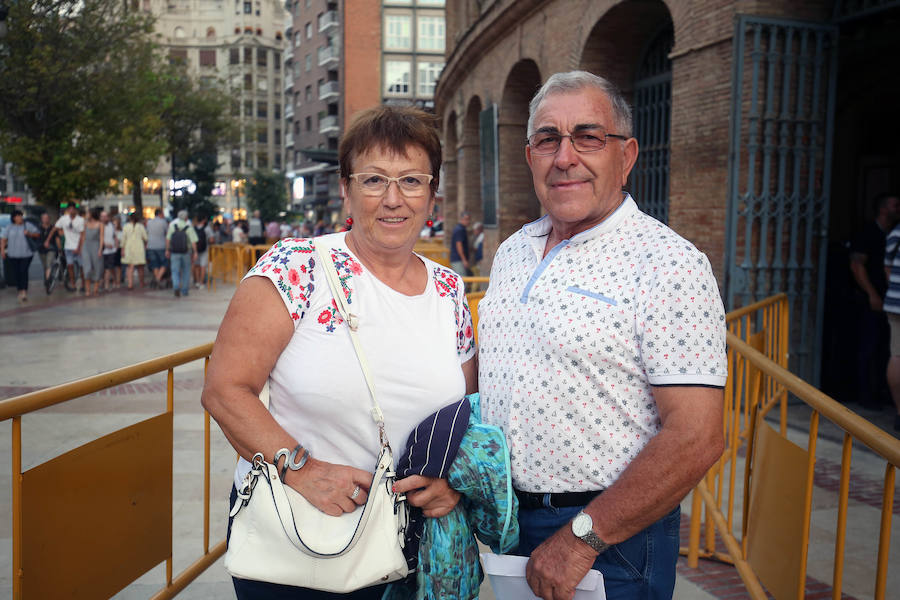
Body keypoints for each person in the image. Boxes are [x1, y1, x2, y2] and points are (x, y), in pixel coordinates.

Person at [201, 105, 477, 599]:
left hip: (408, 549)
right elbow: (225, 391)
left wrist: (450, 485)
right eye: (374, 180)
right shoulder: (297, 267)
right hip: (303, 544)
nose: (393, 199)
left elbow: (467, 415)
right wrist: (300, 469)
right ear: (347, 188)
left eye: (412, 181)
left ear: (433, 194)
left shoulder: (450, 291)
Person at [477, 71, 727, 600]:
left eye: (588, 137)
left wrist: (581, 540)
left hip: (608, 539)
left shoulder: (669, 265)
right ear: (530, 157)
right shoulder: (513, 252)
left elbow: (697, 436)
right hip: (508, 524)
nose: (565, 156)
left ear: (627, 155)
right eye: (547, 139)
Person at [850, 193, 900, 409]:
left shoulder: (892, 234)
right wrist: (872, 294)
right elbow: (856, 265)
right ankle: (865, 395)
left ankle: (881, 393)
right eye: (895, 205)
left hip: (887, 300)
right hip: (871, 300)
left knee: (884, 350)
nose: (899, 208)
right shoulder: (868, 232)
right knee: (869, 348)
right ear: (882, 209)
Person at [881, 193, 900, 432]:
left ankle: (898, 412)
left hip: (895, 302)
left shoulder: (896, 233)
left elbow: (887, 265)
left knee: (896, 355)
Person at [0, 210, 40, 303]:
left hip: (26, 254)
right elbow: (4, 239)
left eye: (21, 216)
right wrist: (2, 250)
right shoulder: (9, 227)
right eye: (18, 216)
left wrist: (29, 233)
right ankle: (19, 290)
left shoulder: (27, 225)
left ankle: (24, 292)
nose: (20, 218)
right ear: (14, 218)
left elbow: (37, 234)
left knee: (23, 271)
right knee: (17, 273)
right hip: (13, 254)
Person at [166, 209, 198, 298]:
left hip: (174, 252)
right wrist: (195, 252)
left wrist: (167, 250)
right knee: (186, 271)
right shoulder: (189, 227)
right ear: (186, 218)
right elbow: (193, 242)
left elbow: (168, 239)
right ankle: (184, 290)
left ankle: (176, 286)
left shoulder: (172, 226)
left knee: (175, 271)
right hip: (185, 252)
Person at [54, 203, 85, 292]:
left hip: (78, 248)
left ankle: (83, 283)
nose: (71, 210)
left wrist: (79, 248)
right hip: (68, 247)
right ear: (67, 210)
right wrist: (48, 239)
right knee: (70, 266)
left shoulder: (80, 220)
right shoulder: (64, 219)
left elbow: (82, 235)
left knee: (82, 266)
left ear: (75, 210)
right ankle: (73, 284)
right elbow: (55, 228)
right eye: (69, 209)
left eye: (73, 209)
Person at [81, 206, 104, 297]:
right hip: (86, 246)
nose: (87, 215)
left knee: (97, 267)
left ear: (92, 214)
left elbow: (101, 237)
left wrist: (100, 249)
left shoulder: (100, 224)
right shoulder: (85, 224)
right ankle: (87, 290)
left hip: (96, 246)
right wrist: (81, 248)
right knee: (87, 268)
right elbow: (83, 236)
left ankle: (95, 288)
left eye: (88, 213)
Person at [121, 212, 148, 289]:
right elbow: (145, 237)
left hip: (128, 247)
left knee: (130, 267)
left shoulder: (126, 227)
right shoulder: (141, 226)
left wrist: (122, 249)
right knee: (140, 267)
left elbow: (123, 239)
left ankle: (130, 284)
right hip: (139, 247)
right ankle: (142, 283)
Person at [146, 208, 169, 289]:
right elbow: (167, 234)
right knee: (165, 263)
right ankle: (158, 279)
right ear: (160, 214)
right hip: (161, 246)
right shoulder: (163, 222)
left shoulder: (149, 222)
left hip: (150, 246)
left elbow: (147, 232)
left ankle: (157, 280)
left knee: (154, 264)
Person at [37, 213, 58, 284]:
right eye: (44, 218)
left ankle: (47, 281)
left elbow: (57, 238)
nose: (45, 220)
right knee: (45, 266)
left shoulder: (53, 228)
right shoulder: (38, 228)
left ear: (49, 219)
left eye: (47, 218)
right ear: (41, 219)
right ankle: (48, 278)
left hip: (51, 248)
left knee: (49, 263)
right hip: (41, 249)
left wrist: (59, 248)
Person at [192, 215, 212, 289]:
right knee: (203, 266)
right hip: (204, 250)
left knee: (197, 266)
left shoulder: (193, 228)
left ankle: (197, 282)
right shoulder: (207, 229)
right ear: (204, 220)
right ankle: (201, 283)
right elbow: (211, 239)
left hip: (195, 250)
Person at [449, 211, 471, 276]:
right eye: (466, 219)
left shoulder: (460, 229)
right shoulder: (460, 230)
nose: (468, 221)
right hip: (458, 260)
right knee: (462, 280)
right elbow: (459, 245)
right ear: (461, 219)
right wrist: (464, 260)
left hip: (457, 259)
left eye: (469, 219)